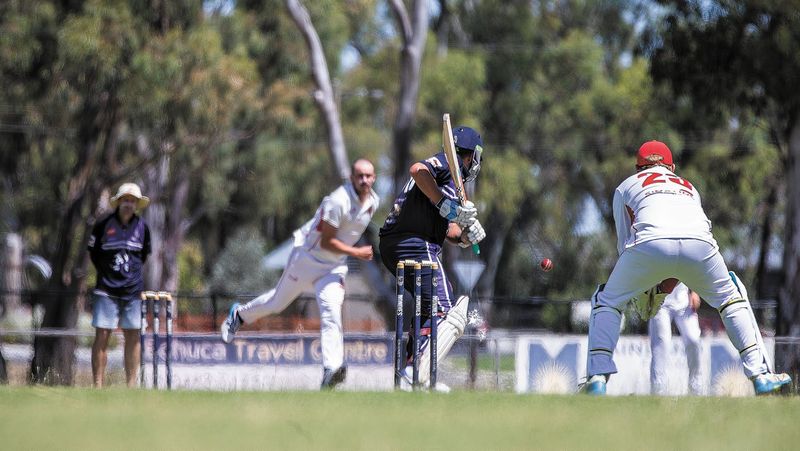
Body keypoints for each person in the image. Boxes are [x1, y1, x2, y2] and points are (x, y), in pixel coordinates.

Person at [583, 140, 791, 395]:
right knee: (731, 297)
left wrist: (647, 289)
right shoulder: (689, 186)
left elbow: (626, 245)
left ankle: (597, 378)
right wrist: (665, 286)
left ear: (638, 168)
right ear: (672, 168)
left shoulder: (626, 185)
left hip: (649, 243)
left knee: (607, 300)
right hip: (701, 245)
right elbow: (684, 249)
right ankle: (760, 375)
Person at [220, 159, 379, 390]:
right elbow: (326, 242)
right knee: (277, 303)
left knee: (331, 312)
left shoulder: (373, 201)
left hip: (333, 267)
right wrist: (357, 252)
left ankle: (331, 369)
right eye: (359, 176)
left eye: (368, 176)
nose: (364, 180)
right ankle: (239, 315)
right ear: (351, 178)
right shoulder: (338, 201)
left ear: (374, 178)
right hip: (307, 259)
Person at [378, 125, 486, 389]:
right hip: (413, 243)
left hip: (398, 243)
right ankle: (417, 375)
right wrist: (443, 203)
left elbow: (448, 230)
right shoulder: (447, 164)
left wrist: (465, 235)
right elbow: (417, 170)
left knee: (429, 308)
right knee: (448, 312)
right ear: (471, 155)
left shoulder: (452, 182)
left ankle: (412, 372)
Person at [88, 182, 151, 388]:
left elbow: (143, 256)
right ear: (119, 202)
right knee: (102, 335)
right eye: (125, 200)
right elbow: (94, 254)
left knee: (133, 336)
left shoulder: (143, 227)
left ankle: (131, 385)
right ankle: (98, 385)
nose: (129, 204)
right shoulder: (103, 224)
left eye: (132, 201)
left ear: (136, 204)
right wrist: (108, 274)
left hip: (133, 292)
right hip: (106, 290)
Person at [648, 282, 702, 395]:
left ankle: (696, 388)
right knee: (661, 345)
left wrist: (694, 291)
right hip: (660, 303)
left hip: (684, 302)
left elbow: (692, 270)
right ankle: (658, 391)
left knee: (693, 340)